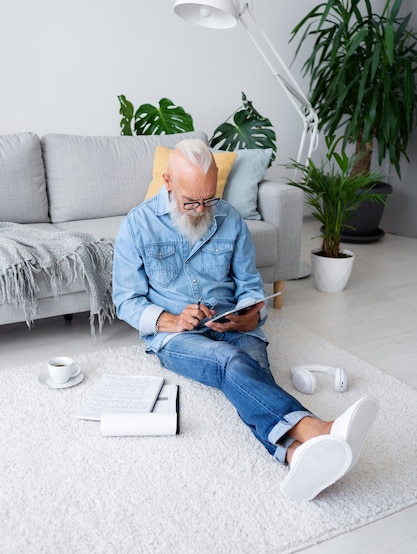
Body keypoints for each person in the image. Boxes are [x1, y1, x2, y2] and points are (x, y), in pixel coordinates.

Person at [112, 138, 379, 501]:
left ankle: (296, 454)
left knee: (252, 375)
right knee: (230, 363)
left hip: (231, 323)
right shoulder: (137, 224)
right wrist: (170, 320)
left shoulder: (230, 218)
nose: (199, 209)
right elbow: (125, 300)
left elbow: (250, 285)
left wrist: (250, 317)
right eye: (191, 201)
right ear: (168, 182)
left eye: (208, 199)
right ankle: (319, 428)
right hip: (176, 336)